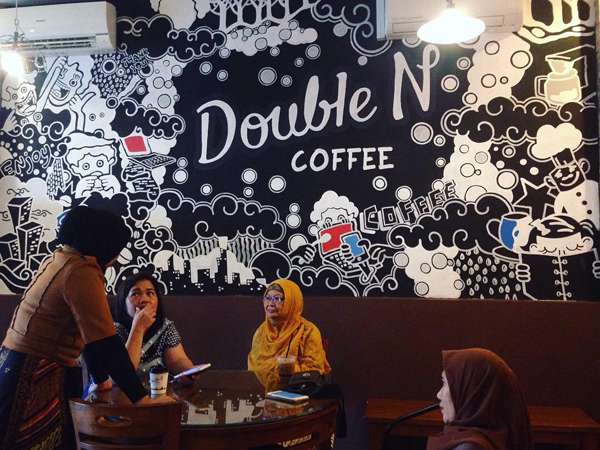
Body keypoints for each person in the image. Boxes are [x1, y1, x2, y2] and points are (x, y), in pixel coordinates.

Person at [0, 206, 164, 450]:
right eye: (116, 250)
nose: (115, 258)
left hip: (17, 362)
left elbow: (87, 331)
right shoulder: (81, 271)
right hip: (35, 371)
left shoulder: (61, 258)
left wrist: (101, 379)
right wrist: (141, 399)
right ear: (103, 245)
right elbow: (106, 343)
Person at [427, 348, 534, 450]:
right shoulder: (494, 438)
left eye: (445, 383)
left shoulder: (469, 447)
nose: (439, 394)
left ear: (471, 392)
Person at [110, 272, 195, 378]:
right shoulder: (112, 329)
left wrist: (188, 372)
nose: (144, 300)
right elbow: (122, 373)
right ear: (123, 302)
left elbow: (177, 360)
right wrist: (138, 327)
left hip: (157, 387)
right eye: (135, 294)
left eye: (150, 293)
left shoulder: (165, 327)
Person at [248, 278, 330, 375]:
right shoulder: (261, 331)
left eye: (277, 299)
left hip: (295, 384)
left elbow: (313, 371)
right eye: (267, 298)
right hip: (261, 385)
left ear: (292, 302)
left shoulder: (307, 331)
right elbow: (253, 367)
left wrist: (287, 369)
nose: (270, 304)